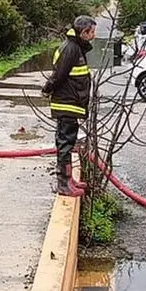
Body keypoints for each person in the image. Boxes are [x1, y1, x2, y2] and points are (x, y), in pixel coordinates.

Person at [43, 16, 97, 197]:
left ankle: (68, 180)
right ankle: (64, 184)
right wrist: (47, 89)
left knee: (68, 141)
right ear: (83, 32)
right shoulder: (71, 49)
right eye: (92, 32)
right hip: (67, 103)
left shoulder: (76, 48)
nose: (94, 35)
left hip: (71, 103)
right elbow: (59, 75)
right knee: (65, 143)